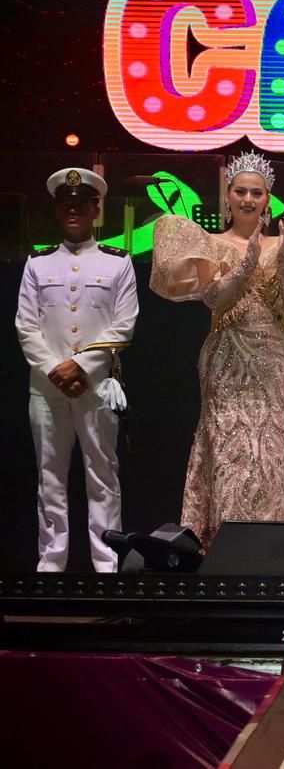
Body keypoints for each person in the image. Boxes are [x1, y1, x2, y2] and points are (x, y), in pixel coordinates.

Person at [149, 151, 284, 551]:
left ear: (268, 198)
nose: (248, 199)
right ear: (228, 196)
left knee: (269, 452)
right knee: (228, 449)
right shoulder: (212, 243)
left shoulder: (283, 244)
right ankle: (222, 547)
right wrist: (245, 263)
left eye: (256, 192)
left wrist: (283, 258)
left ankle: (267, 549)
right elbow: (214, 300)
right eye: (241, 191)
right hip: (226, 360)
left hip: (273, 362)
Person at [16, 167, 137, 572]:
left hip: (96, 385)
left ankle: (107, 565)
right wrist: (55, 369)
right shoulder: (38, 264)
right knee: (50, 477)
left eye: (81, 204)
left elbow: (124, 325)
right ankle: (51, 564)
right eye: (66, 205)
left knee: (102, 476)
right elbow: (25, 326)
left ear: (95, 210)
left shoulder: (118, 263)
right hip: (47, 388)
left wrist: (80, 366)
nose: (73, 211)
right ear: (56, 210)